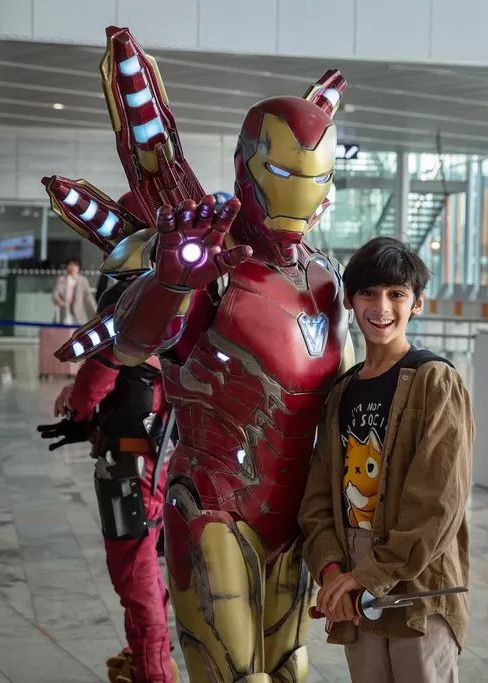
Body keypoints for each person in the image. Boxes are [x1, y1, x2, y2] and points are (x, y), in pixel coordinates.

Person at [40, 29, 354, 681]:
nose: (305, 191)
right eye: (288, 172)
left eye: (317, 176)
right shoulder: (211, 265)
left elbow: (348, 391)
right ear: (249, 165)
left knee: (291, 667)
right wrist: (173, 278)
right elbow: (132, 342)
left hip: (296, 514)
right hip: (214, 503)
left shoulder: (326, 277)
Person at [299, 237, 474, 683]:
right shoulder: (341, 392)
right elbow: (318, 498)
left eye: (397, 294)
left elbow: (437, 504)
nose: (382, 307)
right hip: (353, 577)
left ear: (415, 304)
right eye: (369, 293)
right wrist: (334, 571)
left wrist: (368, 576)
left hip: (417, 579)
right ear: (351, 301)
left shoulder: (435, 381)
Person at [39, 277, 177, 683]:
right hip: (160, 476)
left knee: (135, 580)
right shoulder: (175, 352)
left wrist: (82, 410)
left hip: (129, 477)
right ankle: (147, 662)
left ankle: (154, 672)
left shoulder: (119, 351)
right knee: (146, 575)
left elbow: (86, 396)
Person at [51, 257, 96, 325]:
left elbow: (88, 296)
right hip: (65, 311)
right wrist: (60, 302)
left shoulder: (82, 280)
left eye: (75, 265)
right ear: (67, 267)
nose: (73, 268)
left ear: (78, 267)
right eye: (70, 265)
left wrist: (95, 309)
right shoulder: (61, 280)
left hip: (79, 313)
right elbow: (55, 295)